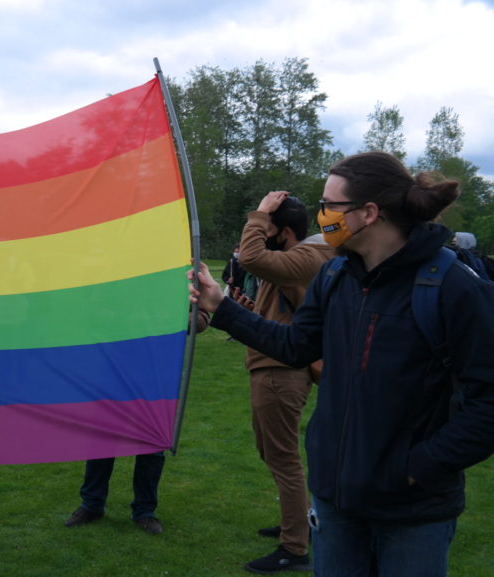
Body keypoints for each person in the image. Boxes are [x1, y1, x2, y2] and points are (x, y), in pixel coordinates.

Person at [189, 152, 494, 577]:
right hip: (335, 503)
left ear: (369, 213)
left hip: (412, 512)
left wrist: (416, 469)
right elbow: (296, 345)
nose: (321, 215)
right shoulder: (335, 278)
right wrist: (222, 309)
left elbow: (488, 404)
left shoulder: (453, 287)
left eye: (330, 205)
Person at [236, 191, 333, 574]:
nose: (262, 232)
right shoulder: (294, 262)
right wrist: (246, 313)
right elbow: (281, 308)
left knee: (283, 459)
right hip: (272, 366)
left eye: (269, 228)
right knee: (274, 454)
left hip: (280, 373)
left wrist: (258, 212)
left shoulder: (308, 256)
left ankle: (294, 546)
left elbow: (250, 257)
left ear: (286, 232)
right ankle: (295, 524)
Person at [64, 309, 210, 536]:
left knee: (152, 446)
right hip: (112, 366)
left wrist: (163, 317)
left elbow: (201, 319)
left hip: (156, 371)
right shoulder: (113, 278)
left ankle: (144, 511)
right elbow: (90, 311)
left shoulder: (179, 277)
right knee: (101, 441)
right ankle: (91, 505)